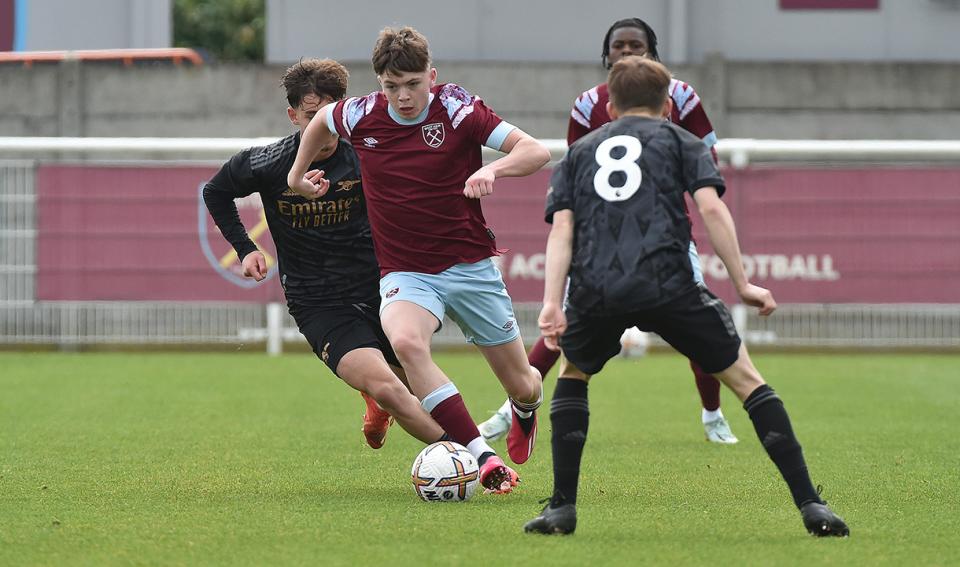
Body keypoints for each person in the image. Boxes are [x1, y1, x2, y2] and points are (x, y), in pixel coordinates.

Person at [523, 56, 849, 537]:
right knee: (746, 379)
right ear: (667, 108)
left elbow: (562, 231)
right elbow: (712, 210)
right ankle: (811, 505)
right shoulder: (683, 141)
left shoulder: (580, 151)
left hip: (597, 289)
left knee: (573, 375)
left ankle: (561, 509)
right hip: (669, 284)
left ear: (610, 105)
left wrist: (552, 300)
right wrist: (743, 284)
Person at [286, 27, 550, 494]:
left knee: (523, 384)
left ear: (432, 75)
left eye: (412, 84)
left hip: (470, 268)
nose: (403, 97)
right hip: (406, 271)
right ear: (379, 83)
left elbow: (535, 151)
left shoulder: (458, 109)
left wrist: (492, 167)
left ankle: (524, 411)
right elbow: (323, 118)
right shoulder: (362, 114)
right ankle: (481, 457)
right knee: (406, 343)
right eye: (391, 86)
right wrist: (296, 174)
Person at [479, 17, 737, 445]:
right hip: (600, 240)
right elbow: (576, 170)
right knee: (561, 328)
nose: (627, 53)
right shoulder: (587, 104)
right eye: (619, 46)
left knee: (702, 328)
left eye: (637, 45)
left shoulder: (682, 96)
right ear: (607, 55)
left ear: (653, 53)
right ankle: (511, 411)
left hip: (666, 238)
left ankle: (713, 415)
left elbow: (706, 157)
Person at [203, 58, 445, 450]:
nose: (324, 126)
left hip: (380, 289)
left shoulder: (367, 155)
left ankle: (385, 408)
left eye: (330, 113)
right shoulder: (268, 163)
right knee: (390, 388)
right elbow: (215, 191)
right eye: (312, 115)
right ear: (293, 114)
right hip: (318, 301)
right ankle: (473, 461)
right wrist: (245, 249)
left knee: (417, 387)